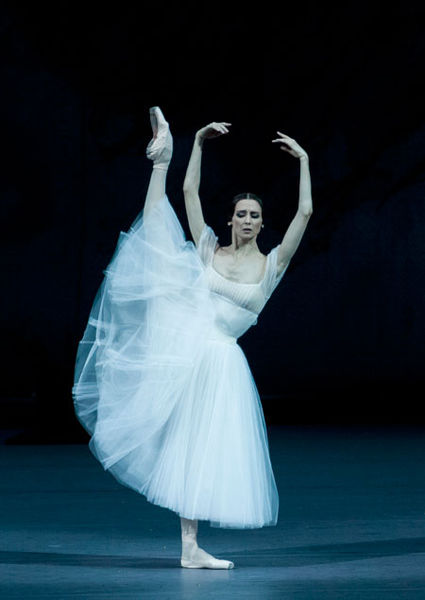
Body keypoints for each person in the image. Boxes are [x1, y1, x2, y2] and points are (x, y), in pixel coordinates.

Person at [72, 107, 313, 570]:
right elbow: (190, 192)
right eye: (241, 213)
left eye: (254, 215)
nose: (246, 220)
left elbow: (305, 212)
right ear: (231, 220)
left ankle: (190, 549)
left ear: (263, 224)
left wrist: (302, 160)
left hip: (222, 362)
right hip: (186, 345)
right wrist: (197, 144)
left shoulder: (272, 266)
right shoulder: (208, 247)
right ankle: (162, 158)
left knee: (201, 449)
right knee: (160, 237)